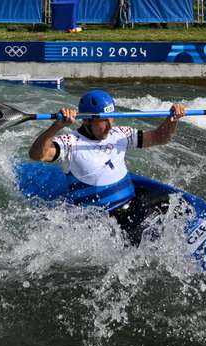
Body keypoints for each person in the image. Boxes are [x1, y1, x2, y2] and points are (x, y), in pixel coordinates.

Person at [27, 90, 186, 246]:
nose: (110, 125)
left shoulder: (121, 134)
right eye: (104, 121)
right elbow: (37, 154)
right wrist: (57, 126)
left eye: (112, 118)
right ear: (87, 121)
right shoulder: (70, 143)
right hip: (103, 222)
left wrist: (172, 119)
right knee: (141, 239)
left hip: (131, 206)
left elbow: (160, 138)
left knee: (173, 203)